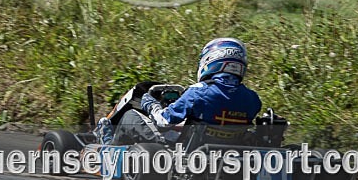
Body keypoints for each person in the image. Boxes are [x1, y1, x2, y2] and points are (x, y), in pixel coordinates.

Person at [108, 38, 262, 147]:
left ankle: (108, 149)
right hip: (227, 154)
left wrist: (151, 105)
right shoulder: (253, 99)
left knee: (131, 116)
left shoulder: (198, 92)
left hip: (186, 152)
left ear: (211, 60)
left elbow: (163, 121)